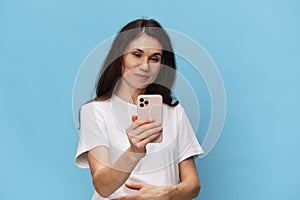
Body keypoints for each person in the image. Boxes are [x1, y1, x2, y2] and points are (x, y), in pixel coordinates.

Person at [75, 19, 204, 200]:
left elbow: (193, 185)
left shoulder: (174, 112)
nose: (145, 66)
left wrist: (168, 193)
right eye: (137, 54)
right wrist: (134, 152)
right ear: (120, 57)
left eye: (154, 58)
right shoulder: (95, 111)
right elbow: (103, 186)